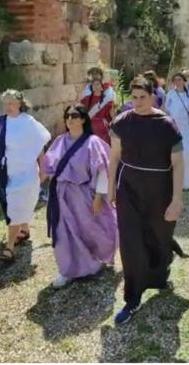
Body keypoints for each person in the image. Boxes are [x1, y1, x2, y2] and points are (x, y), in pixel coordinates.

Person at [108, 76, 184, 324]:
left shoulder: (166, 125)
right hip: (128, 189)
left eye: (143, 97)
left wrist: (177, 199)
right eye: (134, 97)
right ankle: (132, 297)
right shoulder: (121, 123)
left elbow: (178, 163)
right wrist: (110, 188)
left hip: (159, 190)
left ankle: (160, 268)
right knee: (131, 243)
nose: (138, 102)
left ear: (152, 96)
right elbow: (114, 158)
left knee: (158, 237)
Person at [44, 104, 117, 288]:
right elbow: (50, 167)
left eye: (75, 115)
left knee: (88, 230)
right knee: (63, 231)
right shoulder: (60, 140)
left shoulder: (93, 142)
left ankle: (91, 263)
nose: (70, 119)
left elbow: (102, 172)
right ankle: (66, 269)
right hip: (61, 194)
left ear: (83, 119)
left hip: (84, 194)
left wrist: (99, 197)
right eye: (67, 116)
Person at [0, 89, 51, 261]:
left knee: (15, 204)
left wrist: (43, 169)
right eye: (5, 103)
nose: (8, 106)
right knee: (13, 202)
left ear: (20, 103)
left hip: (25, 171)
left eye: (11, 103)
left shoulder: (28, 122)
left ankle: (10, 246)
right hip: (5, 170)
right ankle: (24, 229)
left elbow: (40, 146)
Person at [165, 72, 189, 189]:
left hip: (187, 128)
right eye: (175, 80)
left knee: (187, 155)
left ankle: (186, 182)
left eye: (180, 79)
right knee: (173, 155)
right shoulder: (170, 94)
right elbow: (165, 110)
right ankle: (173, 181)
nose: (178, 82)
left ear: (184, 81)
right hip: (173, 128)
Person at [81, 78, 114, 145]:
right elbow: (80, 112)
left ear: (101, 87)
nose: (95, 86)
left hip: (102, 127)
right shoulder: (86, 99)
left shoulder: (107, 100)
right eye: (93, 84)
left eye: (97, 84)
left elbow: (112, 115)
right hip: (89, 126)